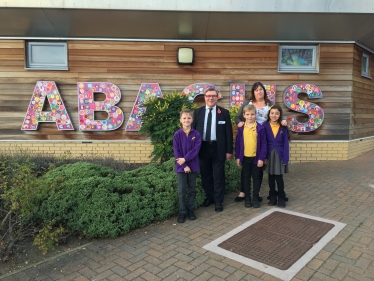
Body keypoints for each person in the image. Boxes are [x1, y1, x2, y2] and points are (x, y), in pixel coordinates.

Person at [234, 82, 287, 202]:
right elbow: (237, 117)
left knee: (260, 164)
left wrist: (283, 122)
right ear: (253, 92)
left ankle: (257, 192)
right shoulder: (248, 104)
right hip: (250, 135)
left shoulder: (270, 104)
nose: (259, 92)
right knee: (246, 167)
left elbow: (277, 114)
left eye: (261, 89)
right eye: (256, 90)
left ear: (264, 91)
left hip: (266, 136)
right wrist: (239, 123)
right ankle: (243, 191)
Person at [192, 87, 233, 212]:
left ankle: (218, 201)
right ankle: (210, 197)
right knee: (206, 175)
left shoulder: (224, 113)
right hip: (202, 148)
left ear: (217, 97)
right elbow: (192, 131)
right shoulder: (197, 113)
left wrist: (229, 151)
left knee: (219, 176)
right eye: (208, 96)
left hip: (218, 148)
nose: (211, 98)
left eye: (213, 96)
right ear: (204, 98)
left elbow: (228, 133)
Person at [235, 105, 267, 208]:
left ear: (255, 115)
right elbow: (238, 144)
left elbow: (263, 145)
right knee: (246, 178)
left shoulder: (260, 128)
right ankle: (247, 199)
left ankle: (256, 199)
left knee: (257, 179)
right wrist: (238, 157)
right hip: (245, 158)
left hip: (256, 159)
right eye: (247, 114)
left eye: (252, 114)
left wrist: (261, 158)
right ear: (244, 115)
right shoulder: (241, 129)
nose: (250, 116)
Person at [173, 109, 202, 223]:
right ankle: (182, 212)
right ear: (180, 120)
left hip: (193, 165)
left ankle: (190, 210)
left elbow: (196, 150)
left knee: (191, 190)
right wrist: (184, 164)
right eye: (184, 118)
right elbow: (176, 151)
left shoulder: (196, 134)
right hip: (181, 167)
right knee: (181, 191)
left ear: (192, 120)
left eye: (189, 118)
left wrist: (185, 159)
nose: (186, 120)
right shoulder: (177, 134)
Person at [263, 104, 290, 207]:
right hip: (269, 154)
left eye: (277, 113)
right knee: (271, 176)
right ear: (269, 114)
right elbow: (263, 142)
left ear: (280, 115)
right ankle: (272, 196)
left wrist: (285, 158)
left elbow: (286, 143)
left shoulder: (283, 127)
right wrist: (264, 157)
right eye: (272, 113)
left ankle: (281, 197)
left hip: (279, 154)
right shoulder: (265, 126)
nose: (274, 115)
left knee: (279, 177)